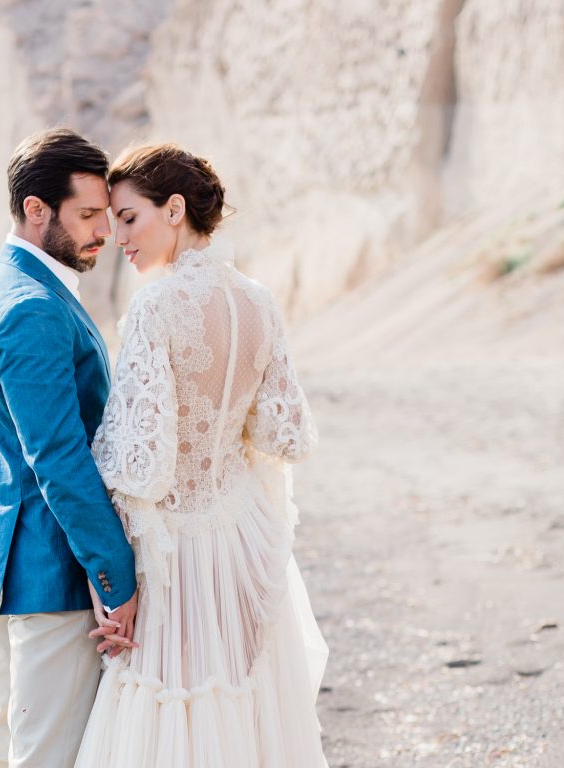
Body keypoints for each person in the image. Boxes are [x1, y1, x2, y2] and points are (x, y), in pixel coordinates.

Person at [76, 144, 328, 766]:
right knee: (242, 704)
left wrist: (109, 580)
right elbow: (286, 434)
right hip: (242, 532)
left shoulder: (155, 307)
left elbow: (140, 467)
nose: (117, 237)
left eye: (129, 218)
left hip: (175, 550)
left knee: (170, 705)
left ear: (176, 209)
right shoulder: (259, 301)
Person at [0, 128, 139, 768]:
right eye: (88, 215)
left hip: (7, 565)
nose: (105, 234)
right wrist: (115, 577)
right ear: (37, 210)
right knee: (44, 757)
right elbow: (59, 460)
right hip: (52, 577)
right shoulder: (33, 307)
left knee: (1, 745)